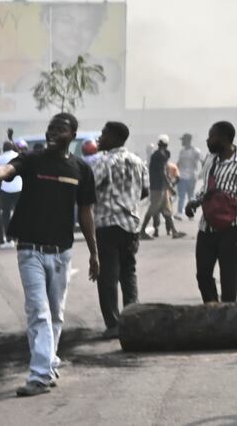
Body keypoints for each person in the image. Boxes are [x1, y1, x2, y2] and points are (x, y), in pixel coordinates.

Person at [0, 112, 98, 397]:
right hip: (30, 250)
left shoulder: (81, 169)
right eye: (50, 128)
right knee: (38, 312)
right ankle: (40, 375)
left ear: (73, 135)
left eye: (60, 129)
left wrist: (94, 253)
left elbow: (87, 212)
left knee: (55, 314)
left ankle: (50, 362)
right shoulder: (31, 159)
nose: (52, 132)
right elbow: (7, 171)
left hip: (62, 252)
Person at [187, 121, 237, 303]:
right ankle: (213, 311)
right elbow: (206, 187)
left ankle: (228, 319)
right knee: (202, 275)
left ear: (224, 139)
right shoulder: (210, 160)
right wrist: (195, 201)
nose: (208, 140)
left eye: (212, 136)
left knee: (229, 280)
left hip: (232, 229)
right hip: (207, 227)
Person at [90, 121, 146, 338]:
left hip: (108, 223)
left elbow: (91, 188)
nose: (100, 138)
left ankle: (113, 324)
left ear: (113, 138)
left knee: (107, 276)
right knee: (128, 272)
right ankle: (132, 319)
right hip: (131, 224)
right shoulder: (138, 161)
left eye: (103, 134)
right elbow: (144, 191)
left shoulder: (104, 161)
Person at [140, 134, 179, 239]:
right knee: (153, 209)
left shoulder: (158, 154)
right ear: (166, 145)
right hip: (157, 187)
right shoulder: (160, 155)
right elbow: (162, 173)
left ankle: (174, 231)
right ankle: (142, 231)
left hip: (160, 186)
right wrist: (170, 187)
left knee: (166, 209)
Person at [0, 136, 20, 245]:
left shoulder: (0, 158)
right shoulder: (17, 155)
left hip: (5, 190)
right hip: (18, 189)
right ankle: (19, 236)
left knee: (6, 214)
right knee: (19, 213)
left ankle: (9, 237)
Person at [175, 133, 202, 218]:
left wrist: (201, 173)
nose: (182, 142)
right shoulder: (182, 151)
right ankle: (179, 212)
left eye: (183, 140)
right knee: (181, 195)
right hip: (182, 176)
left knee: (191, 196)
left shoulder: (195, 151)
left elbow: (202, 161)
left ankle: (191, 213)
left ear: (188, 141)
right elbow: (178, 163)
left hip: (191, 177)